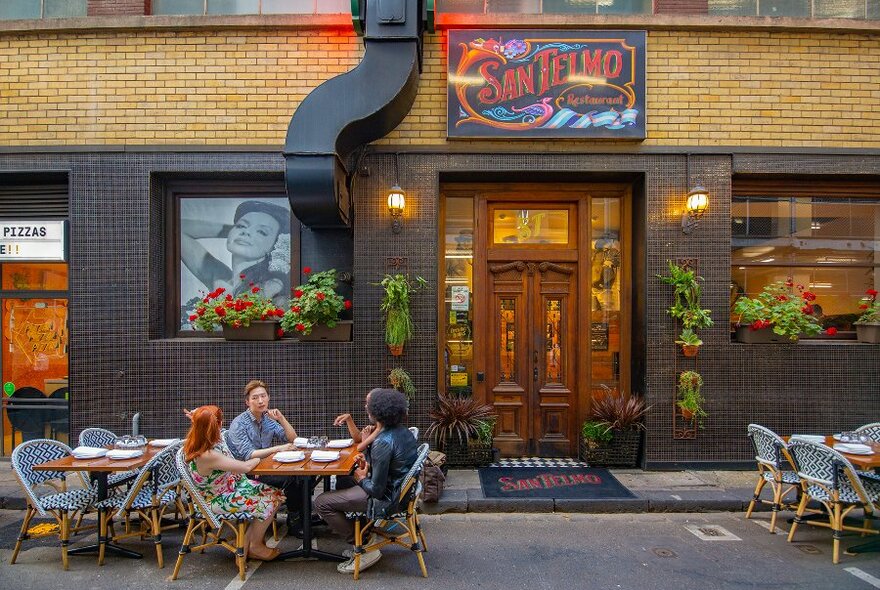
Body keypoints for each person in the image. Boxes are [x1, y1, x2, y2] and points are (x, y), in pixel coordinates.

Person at [315, 388, 418, 574]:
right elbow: (390, 466)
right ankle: (364, 532)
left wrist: (361, 477)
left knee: (322, 502)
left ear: (376, 411)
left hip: (386, 499)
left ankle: (363, 545)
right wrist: (367, 467)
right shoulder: (403, 433)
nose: (366, 409)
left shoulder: (383, 441)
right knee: (344, 481)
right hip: (402, 493)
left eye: (368, 406)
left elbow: (376, 490)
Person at [183, 405, 283, 561]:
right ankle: (254, 546)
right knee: (271, 500)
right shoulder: (207, 454)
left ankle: (245, 542)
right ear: (216, 425)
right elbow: (245, 467)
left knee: (276, 493)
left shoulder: (204, 440)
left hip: (229, 487)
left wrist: (198, 415)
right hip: (215, 500)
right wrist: (264, 456)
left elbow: (205, 424)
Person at [225, 380, 303, 535]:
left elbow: (292, 439)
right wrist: (279, 448)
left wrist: (281, 418)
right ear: (247, 402)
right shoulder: (239, 423)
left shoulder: (268, 419)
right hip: (245, 473)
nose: (260, 401)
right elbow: (248, 454)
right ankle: (295, 519)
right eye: (255, 398)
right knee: (294, 479)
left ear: (268, 398)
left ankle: (301, 516)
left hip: (264, 467)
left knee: (302, 476)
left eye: (263, 396)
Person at [181, 199, 291, 309]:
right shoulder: (220, 277)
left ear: (274, 244)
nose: (246, 232)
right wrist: (233, 233)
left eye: (261, 232)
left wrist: (240, 230)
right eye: (241, 226)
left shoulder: (272, 285)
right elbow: (178, 228)